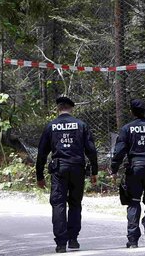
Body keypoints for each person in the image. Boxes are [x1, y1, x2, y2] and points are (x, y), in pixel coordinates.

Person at [36, 96, 99, 253]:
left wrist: (39, 175)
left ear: (58, 108)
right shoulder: (81, 125)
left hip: (59, 170)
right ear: (71, 108)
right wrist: (94, 171)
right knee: (75, 203)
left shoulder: (51, 126)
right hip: (77, 168)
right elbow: (91, 150)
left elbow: (42, 153)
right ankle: (73, 239)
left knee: (58, 204)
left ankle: (61, 243)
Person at [110, 99, 145, 248]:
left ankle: (133, 240)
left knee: (133, 201)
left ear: (132, 112)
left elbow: (119, 151)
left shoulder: (127, 129)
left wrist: (114, 169)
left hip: (134, 169)